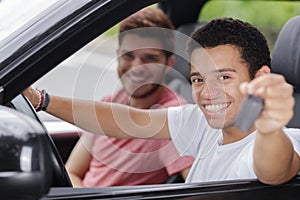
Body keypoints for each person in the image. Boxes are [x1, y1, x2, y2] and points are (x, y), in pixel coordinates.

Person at [24, 17, 300, 185]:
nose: (207, 93)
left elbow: (273, 172)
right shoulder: (203, 124)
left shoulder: (286, 140)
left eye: (224, 77)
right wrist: (41, 99)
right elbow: (128, 121)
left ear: (260, 77)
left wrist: (269, 127)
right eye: (198, 79)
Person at [36, 7, 194, 187]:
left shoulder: (173, 119)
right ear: (118, 55)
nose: (137, 67)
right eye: (129, 56)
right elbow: (72, 170)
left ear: (169, 64)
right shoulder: (110, 103)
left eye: (149, 58)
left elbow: (201, 188)